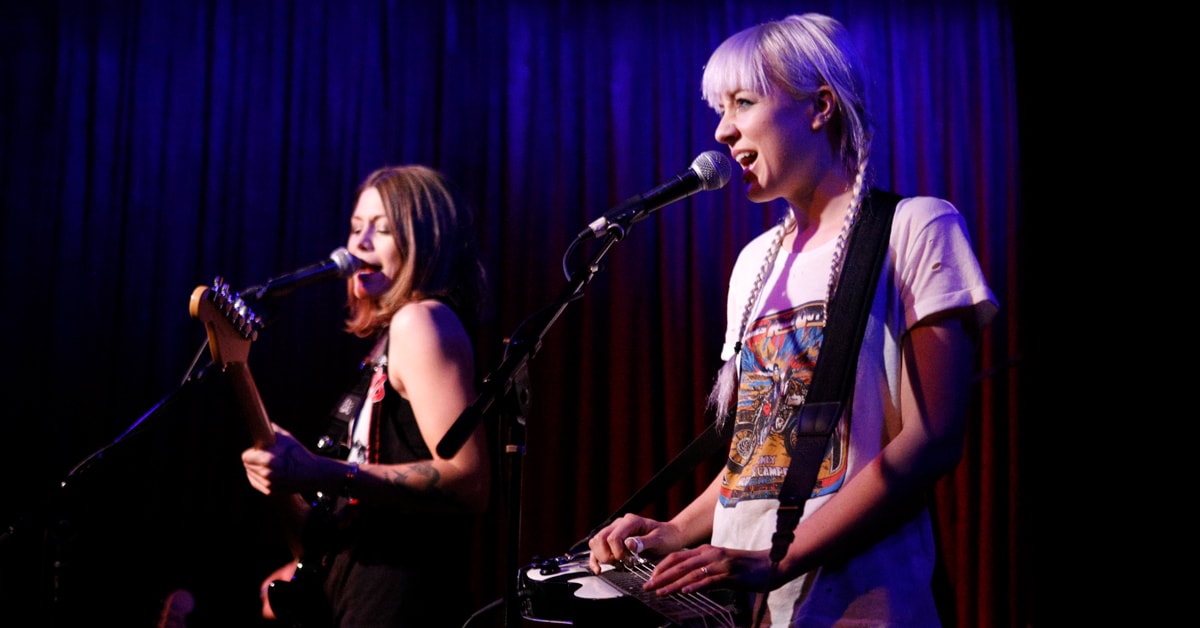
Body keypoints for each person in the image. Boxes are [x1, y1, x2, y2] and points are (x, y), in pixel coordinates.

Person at [587, 13, 998, 627]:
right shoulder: (754, 264)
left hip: (864, 604)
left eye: (744, 103)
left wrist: (780, 558)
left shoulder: (914, 227)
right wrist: (675, 531)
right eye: (720, 111)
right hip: (746, 606)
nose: (723, 131)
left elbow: (932, 439)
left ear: (819, 107)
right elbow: (757, 455)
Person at [240, 164, 492, 627]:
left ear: (425, 241)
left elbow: (468, 479)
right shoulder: (387, 342)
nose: (358, 244)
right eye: (356, 228)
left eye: (383, 228)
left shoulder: (421, 321)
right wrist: (307, 563)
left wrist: (321, 470)